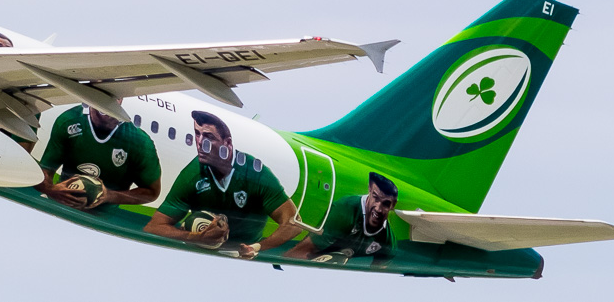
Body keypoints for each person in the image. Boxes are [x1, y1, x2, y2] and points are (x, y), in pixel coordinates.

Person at [144, 111, 300, 259]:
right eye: (197, 134)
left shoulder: (255, 173)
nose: (200, 142)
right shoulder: (193, 174)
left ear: (228, 143)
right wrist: (196, 237)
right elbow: (154, 226)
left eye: (209, 137)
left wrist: (255, 248)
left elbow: (294, 224)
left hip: (248, 244)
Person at [34, 103, 161, 210]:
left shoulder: (140, 141)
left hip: (106, 216)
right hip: (61, 206)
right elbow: (46, 170)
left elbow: (152, 192)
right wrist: (51, 190)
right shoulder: (70, 120)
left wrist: (109, 196)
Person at [286, 172, 398, 267]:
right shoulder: (345, 211)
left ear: (393, 205)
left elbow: (377, 273)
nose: (378, 209)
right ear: (369, 190)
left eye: (386, 204)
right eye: (375, 198)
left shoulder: (387, 240)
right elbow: (301, 252)